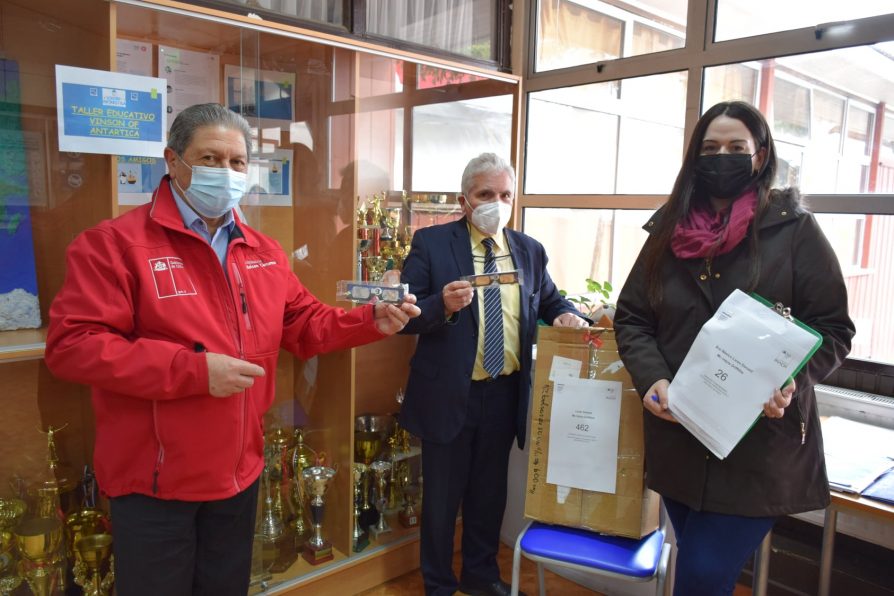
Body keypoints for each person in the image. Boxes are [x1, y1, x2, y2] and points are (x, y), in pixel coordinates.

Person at [44, 103, 420, 596]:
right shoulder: (114, 245)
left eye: (238, 162)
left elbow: (305, 324)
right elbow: (73, 345)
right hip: (155, 483)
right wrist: (193, 372)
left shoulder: (262, 250)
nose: (226, 172)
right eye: (210, 158)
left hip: (238, 474)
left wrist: (371, 320)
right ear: (173, 161)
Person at [613, 101, 855, 596]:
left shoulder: (794, 231)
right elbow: (634, 317)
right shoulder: (667, 232)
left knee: (700, 576)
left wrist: (790, 380)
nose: (722, 157)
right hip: (679, 434)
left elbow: (833, 327)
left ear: (760, 155)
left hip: (759, 448)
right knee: (703, 574)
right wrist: (651, 377)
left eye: (736, 148)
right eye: (710, 148)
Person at [399, 153, 588, 596]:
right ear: (465, 201)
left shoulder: (528, 249)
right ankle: (439, 584)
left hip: (504, 393)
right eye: (486, 194)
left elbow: (551, 301)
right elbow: (405, 316)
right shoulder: (431, 243)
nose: (496, 203)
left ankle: (481, 576)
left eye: (505, 195)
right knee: (442, 502)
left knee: (489, 497)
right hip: (449, 393)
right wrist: (440, 306)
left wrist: (567, 316)